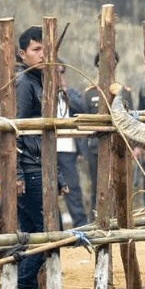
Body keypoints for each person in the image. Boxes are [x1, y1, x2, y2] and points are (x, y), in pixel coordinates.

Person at [15, 25, 68, 289]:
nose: (42, 54)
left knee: (35, 233)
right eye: (36, 50)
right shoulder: (25, 83)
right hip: (30, 169)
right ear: (22, 53)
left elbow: (47, 137)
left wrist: (57, 174)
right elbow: (16, 129)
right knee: (51, 232)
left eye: (45, 49)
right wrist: (17, 174)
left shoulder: (41, 81)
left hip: (40, 167)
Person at [82, 50, 133, 216]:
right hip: (96, 147)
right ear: (98, 67)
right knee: (98, 186)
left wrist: (120, 94)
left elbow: (130, 117)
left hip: (119, 147)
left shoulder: (124, 91)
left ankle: (120, 218)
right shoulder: (90, 93)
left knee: (120, 186)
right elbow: (85, 121)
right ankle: (96, 219)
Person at [56, 61, 88, 228]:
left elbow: (83, 108)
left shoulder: (72, 93)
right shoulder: (41, 93)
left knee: (72, 189)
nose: (60, 76)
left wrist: (65, 92)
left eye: (62, 72)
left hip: (68, 149)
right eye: (57, 72)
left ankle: (81, 226)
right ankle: (55, 228)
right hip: (45, 150)